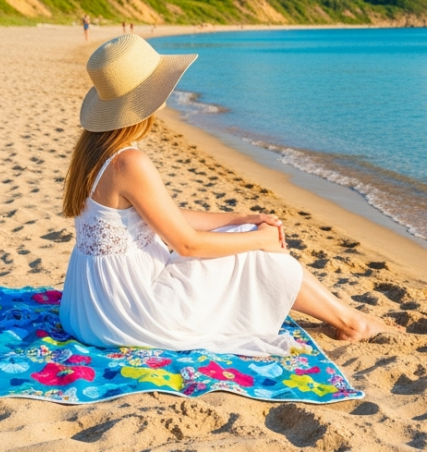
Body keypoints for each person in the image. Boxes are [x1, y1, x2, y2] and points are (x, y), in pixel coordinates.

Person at [60, 34, 398, 355]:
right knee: (255, 253)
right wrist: (260, 240)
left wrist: (243, 220)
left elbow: (163, 217)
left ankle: (347, 317)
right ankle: (351, 322)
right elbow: (187, 244)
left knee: (245, 234)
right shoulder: (129, 161)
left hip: (93, 306)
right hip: (131, 312)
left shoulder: (92, 150)